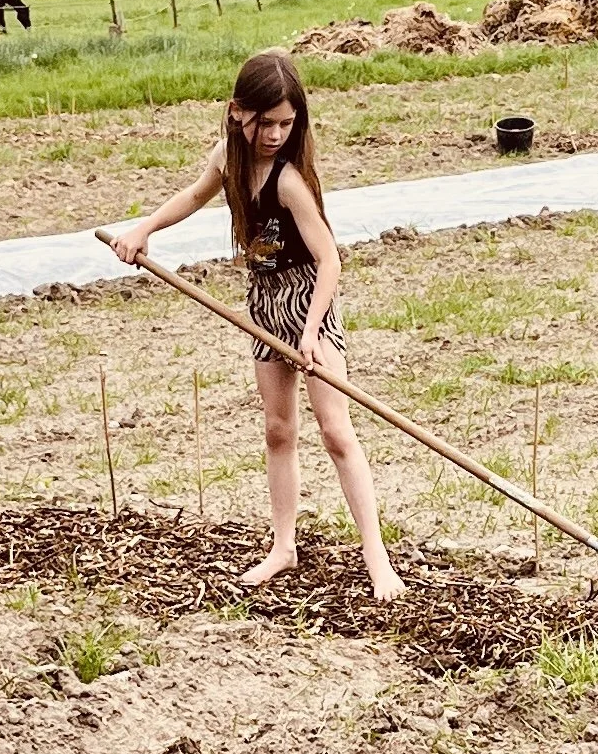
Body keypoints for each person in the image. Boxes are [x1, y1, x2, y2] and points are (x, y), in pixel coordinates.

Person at [108, 50, 405, 601]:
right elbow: (194, 195)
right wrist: (144, 228)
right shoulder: (229, 158)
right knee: (278, 429)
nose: (274, 135)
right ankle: (283, 547)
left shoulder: (289, 181)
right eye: (265, 122)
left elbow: (329, 259)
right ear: (237, 112)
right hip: (265, 304)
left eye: (286, 124)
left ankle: (377, 557)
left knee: (335, 430)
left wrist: (311, 332)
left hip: (308, 303)